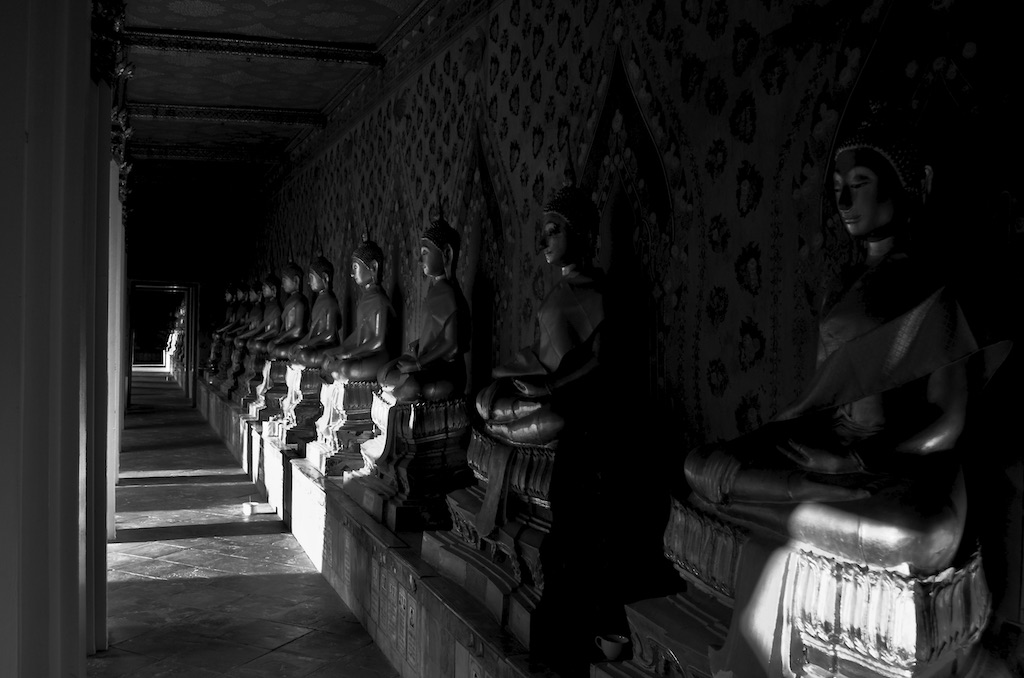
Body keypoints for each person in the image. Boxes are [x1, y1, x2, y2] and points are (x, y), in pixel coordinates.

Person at [683, 106, 1009, 572]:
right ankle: (807, 495)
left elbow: (947, 420)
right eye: (838, 190)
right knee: (699, 464)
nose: (844, 202)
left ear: (908, 185)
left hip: (896, 465)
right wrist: (780, 443)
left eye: (859, 185)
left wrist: (854, 459)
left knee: (910, 535)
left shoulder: (934, 285)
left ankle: (802, 499)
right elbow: (823, 401)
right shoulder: (841, 285)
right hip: (828, 452)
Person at [474, 181, 604, 447]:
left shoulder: (599, 293)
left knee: (557, 420)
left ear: (579, 232)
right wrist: (518, 371)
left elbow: (599, 361)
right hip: (539, 386)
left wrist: (549, 387)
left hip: (567, 394)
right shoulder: (558, 291)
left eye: (553, 232)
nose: (542, 242)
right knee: (483, 398)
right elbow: (545, 351)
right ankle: (509, 425)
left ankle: (503, 431)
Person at [377, 214, 469, 403]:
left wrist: (418, 364)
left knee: (408, 387)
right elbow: (437, 335)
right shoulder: (435, 290)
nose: (420, 259)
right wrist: (420, 343)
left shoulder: (448, 293)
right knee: (384, 373)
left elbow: (451, 344)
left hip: (447, 371)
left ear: (446, 254)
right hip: (428, 363)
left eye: (425, 252)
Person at [321, 235, 394, 382]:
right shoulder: (365, 299)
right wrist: (340, 349)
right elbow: (358, 334)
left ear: (373, 267)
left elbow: (378, 341)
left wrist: (349, 354)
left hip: (377, 355)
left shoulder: (379, 299)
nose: (352, 274)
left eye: (355, 267)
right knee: (327, 359)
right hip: (363, 353)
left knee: (344, 368)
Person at [287, 256, 341, 367]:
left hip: (328, 345)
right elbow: (313, 331)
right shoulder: (319, 300)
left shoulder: (330, 301)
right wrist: (300, 343)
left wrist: (306, 344)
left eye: (311, 278)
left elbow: (330, 333)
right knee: (294, 352)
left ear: (325, 278)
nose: (308, 282)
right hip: (317, 344)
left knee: (304, 355)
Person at [266, 262, 309, 359]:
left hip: (297, 337)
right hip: (288, 338)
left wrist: (280, 338)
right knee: (272, 347)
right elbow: (284, 327)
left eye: (284, 280)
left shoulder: (300, 300)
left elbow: (298, 328)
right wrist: (280, 337)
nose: (282, 285)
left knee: (278, 350)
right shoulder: (289, 301)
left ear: (296, 280)